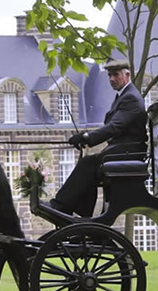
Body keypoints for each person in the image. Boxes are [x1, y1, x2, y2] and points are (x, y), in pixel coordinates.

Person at [48, 60, 147, 217]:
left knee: (88, 163)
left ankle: (62, 205)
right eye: (109, 75)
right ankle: (78, 210)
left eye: (116, 75)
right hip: (122, 151)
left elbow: (114, 127)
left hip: (126, 152)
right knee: (90, 164)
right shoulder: (124, 96)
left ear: (127, 75)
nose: (111, 79)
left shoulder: (131, 98)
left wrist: (86, 137)